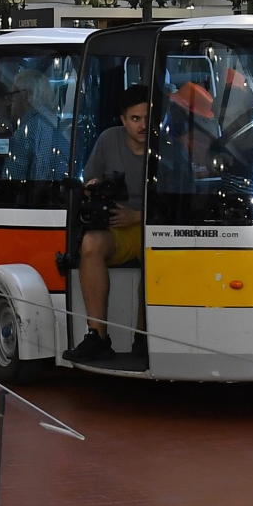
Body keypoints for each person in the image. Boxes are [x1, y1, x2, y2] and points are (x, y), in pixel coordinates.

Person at [69, 83, 150, 365]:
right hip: (116, 225)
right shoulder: (108, 139)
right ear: (123, 120)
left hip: (153, 227)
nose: (142, 126)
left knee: (156, 254)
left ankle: (144, 336)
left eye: (147, 118)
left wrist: (138, 216)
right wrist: (92, 187)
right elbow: (90, 180)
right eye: (135, 119)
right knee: (90, 244)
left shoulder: (167, 147)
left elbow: (177, 203)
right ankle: (98, 336)